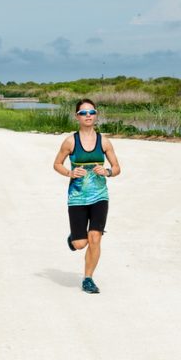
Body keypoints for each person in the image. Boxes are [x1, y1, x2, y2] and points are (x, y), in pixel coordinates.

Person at [53, 98, 121, 294]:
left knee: (95, 239)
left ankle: (88, 279)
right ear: (77, 117)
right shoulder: (70, 141)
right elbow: (57, 163)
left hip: (100, 196)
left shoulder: (104, 141)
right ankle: (74, 238)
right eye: (83, 113)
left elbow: (117, 168)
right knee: (80, 244)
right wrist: (70, 173)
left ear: (96, 115)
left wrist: (107, 172)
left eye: (91, 112)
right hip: (77, 197)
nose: (88, 116)